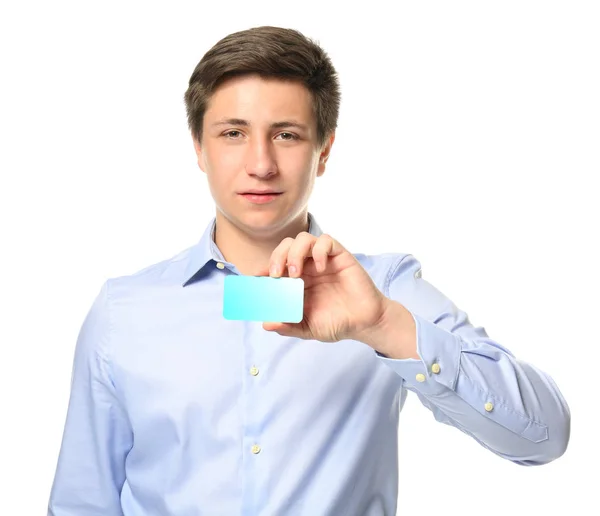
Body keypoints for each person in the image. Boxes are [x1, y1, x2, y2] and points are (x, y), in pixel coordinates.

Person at [48, 26, 570, 516]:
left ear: (323, 151)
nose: (260, 164)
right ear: (199, 149)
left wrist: (385, 328)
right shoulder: (124, 311)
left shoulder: (384, 290)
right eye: (233, 132)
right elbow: (82, 501)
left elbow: (544, 436)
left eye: (287, 135)